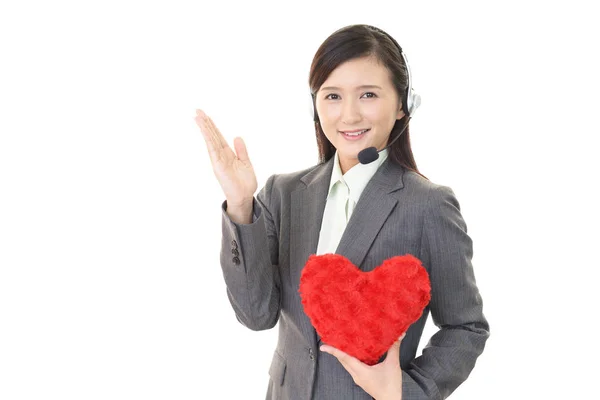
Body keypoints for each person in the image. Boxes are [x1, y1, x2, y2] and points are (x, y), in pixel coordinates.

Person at [195, 24, 489, 400]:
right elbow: (256, 315)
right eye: (332, 96)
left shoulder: (428, 205)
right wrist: (240, 205)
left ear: (403, 105)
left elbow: (466, 327)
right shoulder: (283, 193)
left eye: (368, 94)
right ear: (315, 106)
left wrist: (402, 391)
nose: (348, 115)